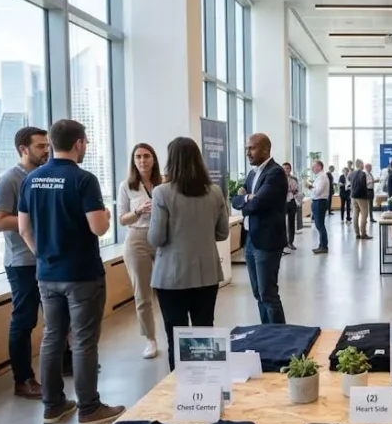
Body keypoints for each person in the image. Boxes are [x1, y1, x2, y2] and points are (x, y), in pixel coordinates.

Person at [17, 119, 123, 424]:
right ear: (78, 143)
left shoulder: (31, 179)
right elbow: (99, 228)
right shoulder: (84, 179)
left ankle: (53, 406)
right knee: (84, 340)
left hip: (47, 273)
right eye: (86, 142)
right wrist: (104, 212)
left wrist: (45, 256)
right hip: (81, 274)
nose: (86, 147)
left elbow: (24, 228)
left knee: (52, 337)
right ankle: (89, 408)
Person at [149, 137, 231, 371]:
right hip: (206, 273)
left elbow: (156, 238)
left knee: (176, 336)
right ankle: (205, 390)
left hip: (171, 277)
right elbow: (223, 233)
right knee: (204, 332)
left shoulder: (161, 193)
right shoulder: (214, 191)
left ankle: (181, 391)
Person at [0, 126, 50, 400]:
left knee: (55, 316)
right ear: (23, 149)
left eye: (47, 145)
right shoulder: (7, 181)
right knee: (24, 321)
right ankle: (23, 379)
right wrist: (33, 218)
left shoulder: (43, 177)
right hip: (22, 262)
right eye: (39, 146)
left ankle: (61, 364)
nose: (46, 150)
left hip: (46, 257)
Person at [117, 143, 163, 360]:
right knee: (142, 294)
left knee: (168, 289)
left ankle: (174, 335)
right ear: (133, 161)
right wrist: (138, 210)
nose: (142, 160)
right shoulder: (127, 185)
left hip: (163, 238)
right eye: (138, 157)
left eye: (146, 156)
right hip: (137, 239)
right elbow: (122, 219)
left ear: (153, 159)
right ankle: (150, 339)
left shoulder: (164, 183)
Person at [241, 133, 288, 324]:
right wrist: (247, 198)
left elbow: (257, 204)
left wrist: (249, 199)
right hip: (251, 239)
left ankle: (280, 339)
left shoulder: (275, 173)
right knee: (258, 294)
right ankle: (266, 334)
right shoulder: (253, 174)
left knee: (268, 294)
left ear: (266, 149)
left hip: (267, 242)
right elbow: (237, 199)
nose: (247, 153)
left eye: (251, 148)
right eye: (247, 148)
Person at [306, 160, 331, 254]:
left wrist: (309, 186)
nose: (313, 168)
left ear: (320, 167)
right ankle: (322, 245)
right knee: (319, 225)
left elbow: (317, 192)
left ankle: (324, 246)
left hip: (320, 202)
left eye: (314, 166)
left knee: (320, 225)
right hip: (317, 202)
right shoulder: (319, 177)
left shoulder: (322, 177)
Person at [350, 159, 372, 239]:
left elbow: (350, 181)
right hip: (361, 197)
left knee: (355, 215)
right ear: (359, 164)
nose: (363, 165)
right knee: (364, 215)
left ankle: (357, 234)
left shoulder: (352, 173)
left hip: (353, 196)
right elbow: (363, 185)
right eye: (362, 164)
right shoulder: (362, 174)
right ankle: (363, 234)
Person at [283, 162, 299, 254]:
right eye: (284, 168)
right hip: (282, 202)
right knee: (281, 223)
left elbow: (297, 190)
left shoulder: (294, 179)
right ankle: (283, 242)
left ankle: (290, 242)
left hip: (292, 201)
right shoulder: (278, 179)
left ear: (290, 169)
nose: (286, 170)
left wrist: (294, 190)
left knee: (291, 222)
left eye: (287, 168)